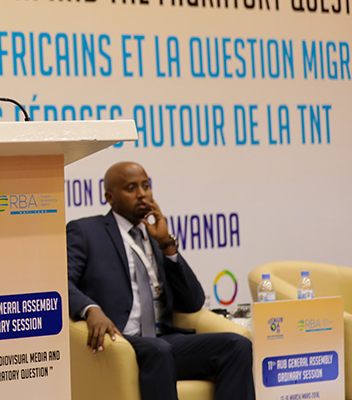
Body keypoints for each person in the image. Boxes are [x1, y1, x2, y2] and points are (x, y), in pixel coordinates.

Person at [66, 161, 254, 400]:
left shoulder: (155, 237)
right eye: (131, 188)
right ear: (109, 197)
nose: (142, 194)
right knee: (159, 350)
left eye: (146, 186)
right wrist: (91, 309)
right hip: (120, 340)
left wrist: (167, 245)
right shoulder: (86, 232)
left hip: (163, 340)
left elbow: (193, 302)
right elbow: (62, 282)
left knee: (237, 346)